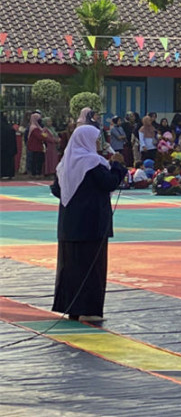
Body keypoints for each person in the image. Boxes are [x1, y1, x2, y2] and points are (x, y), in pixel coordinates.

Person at [50, 125, 126, 322]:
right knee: (92, 267)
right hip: (92, 224)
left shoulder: (65, 164)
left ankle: (71, 308)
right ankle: (89, 310)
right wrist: (118, 166)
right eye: (96, 139)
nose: (98, 143)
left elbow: (57, 190)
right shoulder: (91, 162)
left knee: (71, 266)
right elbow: (109, 182)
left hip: (69, 225)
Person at [27, 112, 47, 176]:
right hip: (35, 147)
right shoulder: (34, 128)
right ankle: (35, 173)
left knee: (38, 160)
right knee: (36, 161)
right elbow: (40, 136)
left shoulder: (37, 127)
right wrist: (45, 135)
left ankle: (37, 172)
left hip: (38, 147)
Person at [0, 113, 16, 179]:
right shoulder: (9, 127)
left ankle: (2, 174)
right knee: (9, 161)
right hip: (9, 148)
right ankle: (10, 174)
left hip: (2, 148)